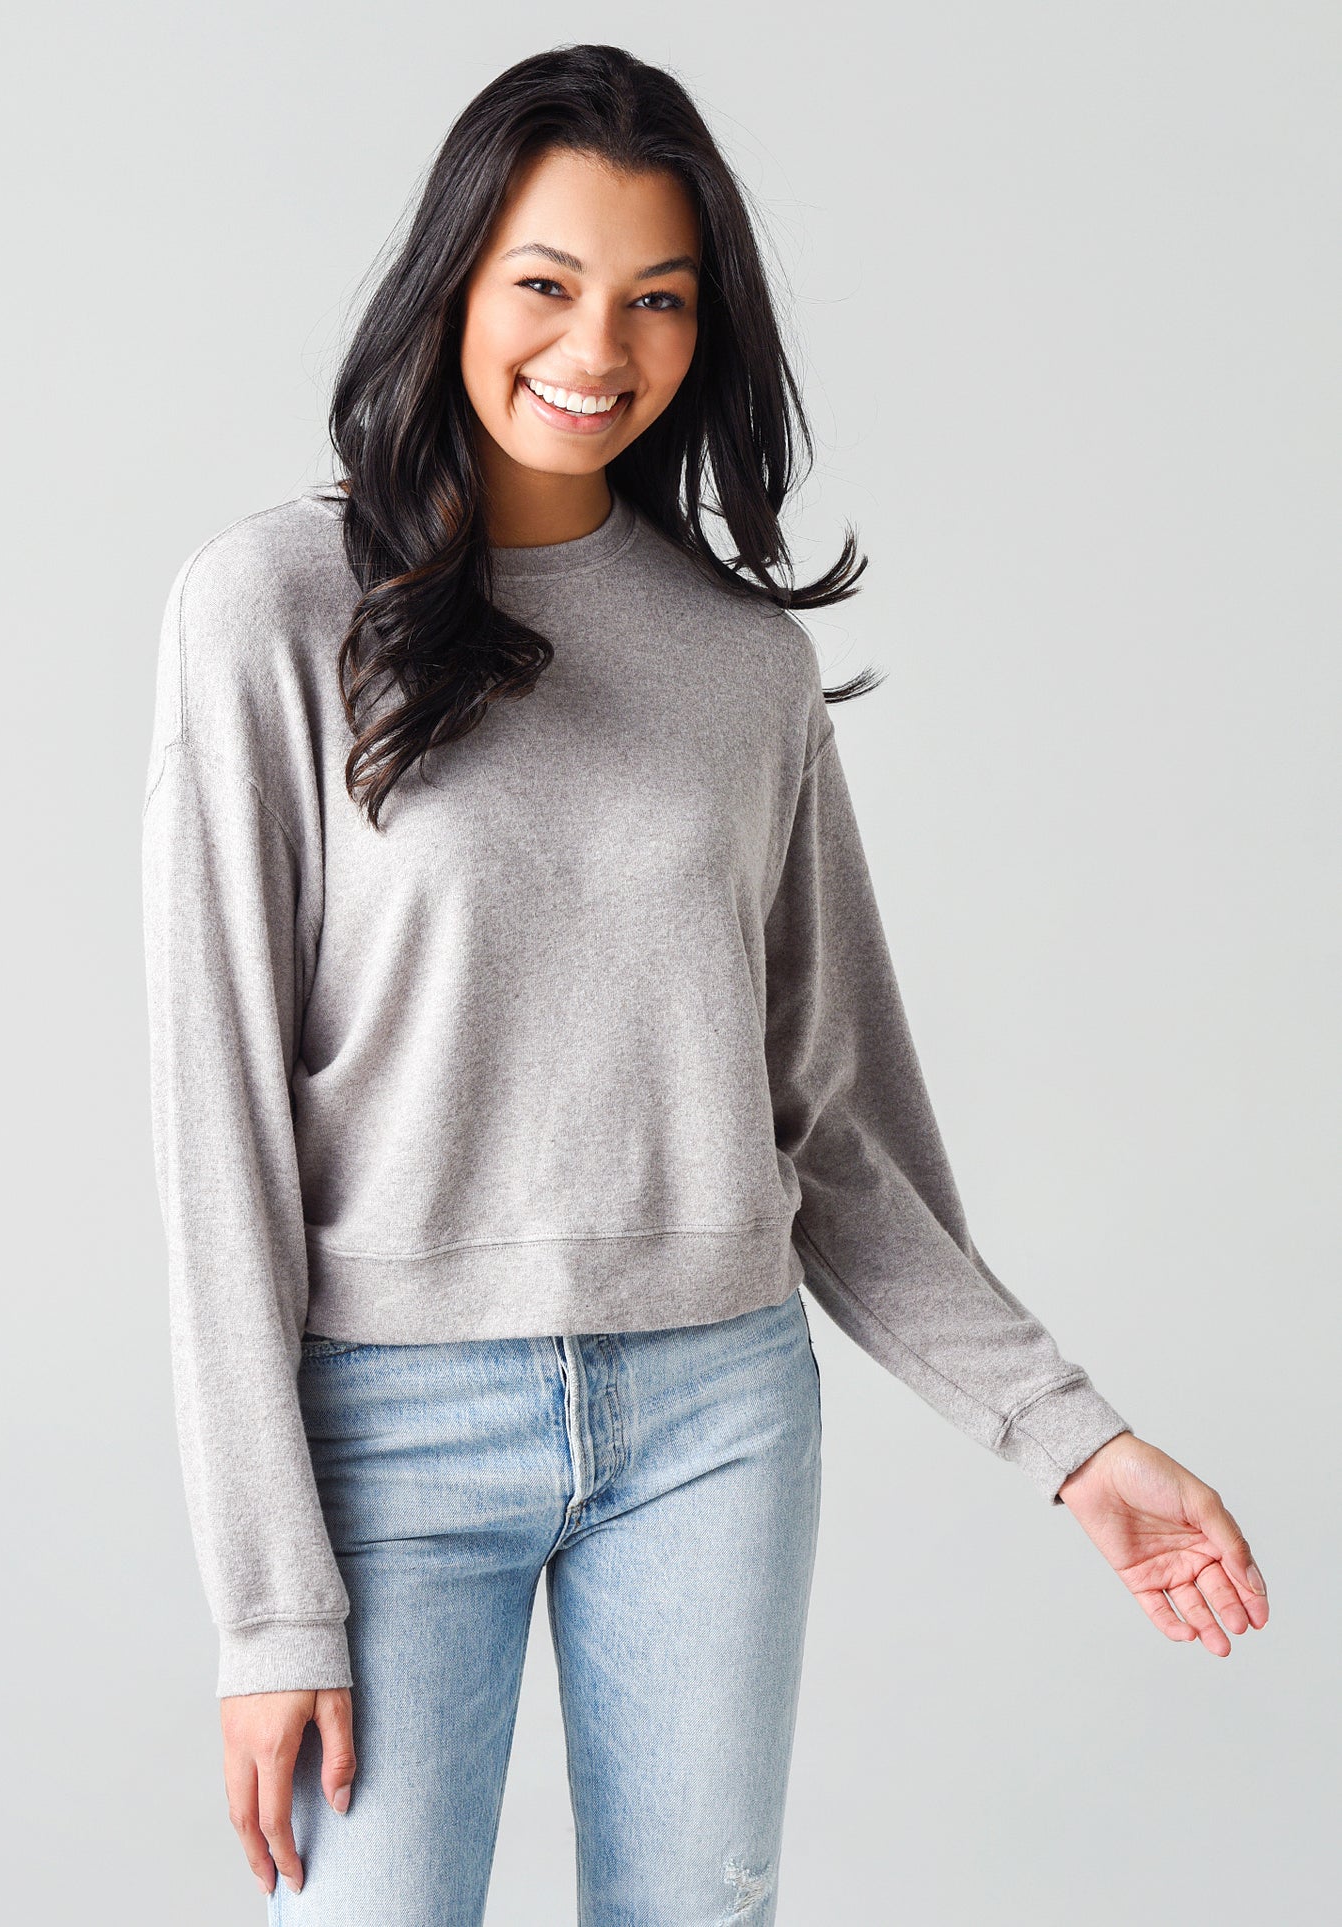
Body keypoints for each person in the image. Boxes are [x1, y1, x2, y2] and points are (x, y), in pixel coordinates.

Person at [140, 44, 1269, 1926]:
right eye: (547, 282)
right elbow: (218, 1133)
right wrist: (268, 1609)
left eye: (658, 299)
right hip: (384, 1432)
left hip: (715, 1415)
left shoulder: (742, 665)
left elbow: (829, 1128)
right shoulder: (270, 610)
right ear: (452, 282)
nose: (599, 347)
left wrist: (1071, 1440)